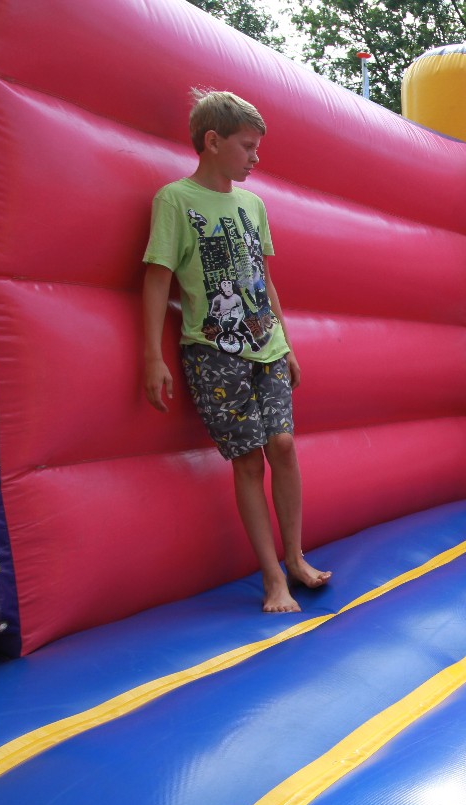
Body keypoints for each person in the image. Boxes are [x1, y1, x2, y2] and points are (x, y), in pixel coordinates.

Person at [142, 89, 330, 614]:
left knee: (283, 445)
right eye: (247, 147)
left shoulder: (253, 205)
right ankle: (272, 578)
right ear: (212, 141)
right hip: (214, 353)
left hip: (267, 345)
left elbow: (264, 280)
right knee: (248, 462)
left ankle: (295, 557)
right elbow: (157, 279)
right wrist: (152, 356)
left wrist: (286, 342)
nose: (255, 157)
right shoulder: (175, 200)